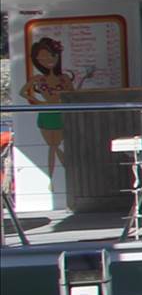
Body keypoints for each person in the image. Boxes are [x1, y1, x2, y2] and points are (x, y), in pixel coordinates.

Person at [20, 33, 85, 186]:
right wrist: (39, 102)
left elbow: (73, 94)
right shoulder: (38, 79)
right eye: (42, 58)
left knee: (54, 146)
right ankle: (57, 179)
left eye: (51, 56)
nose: (48, 60)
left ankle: (54, 180)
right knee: (53, 146)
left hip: (61, 114)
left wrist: (81, 82)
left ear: (57, 57)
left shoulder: (64, 78)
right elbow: (22, 92)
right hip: (46, 115)